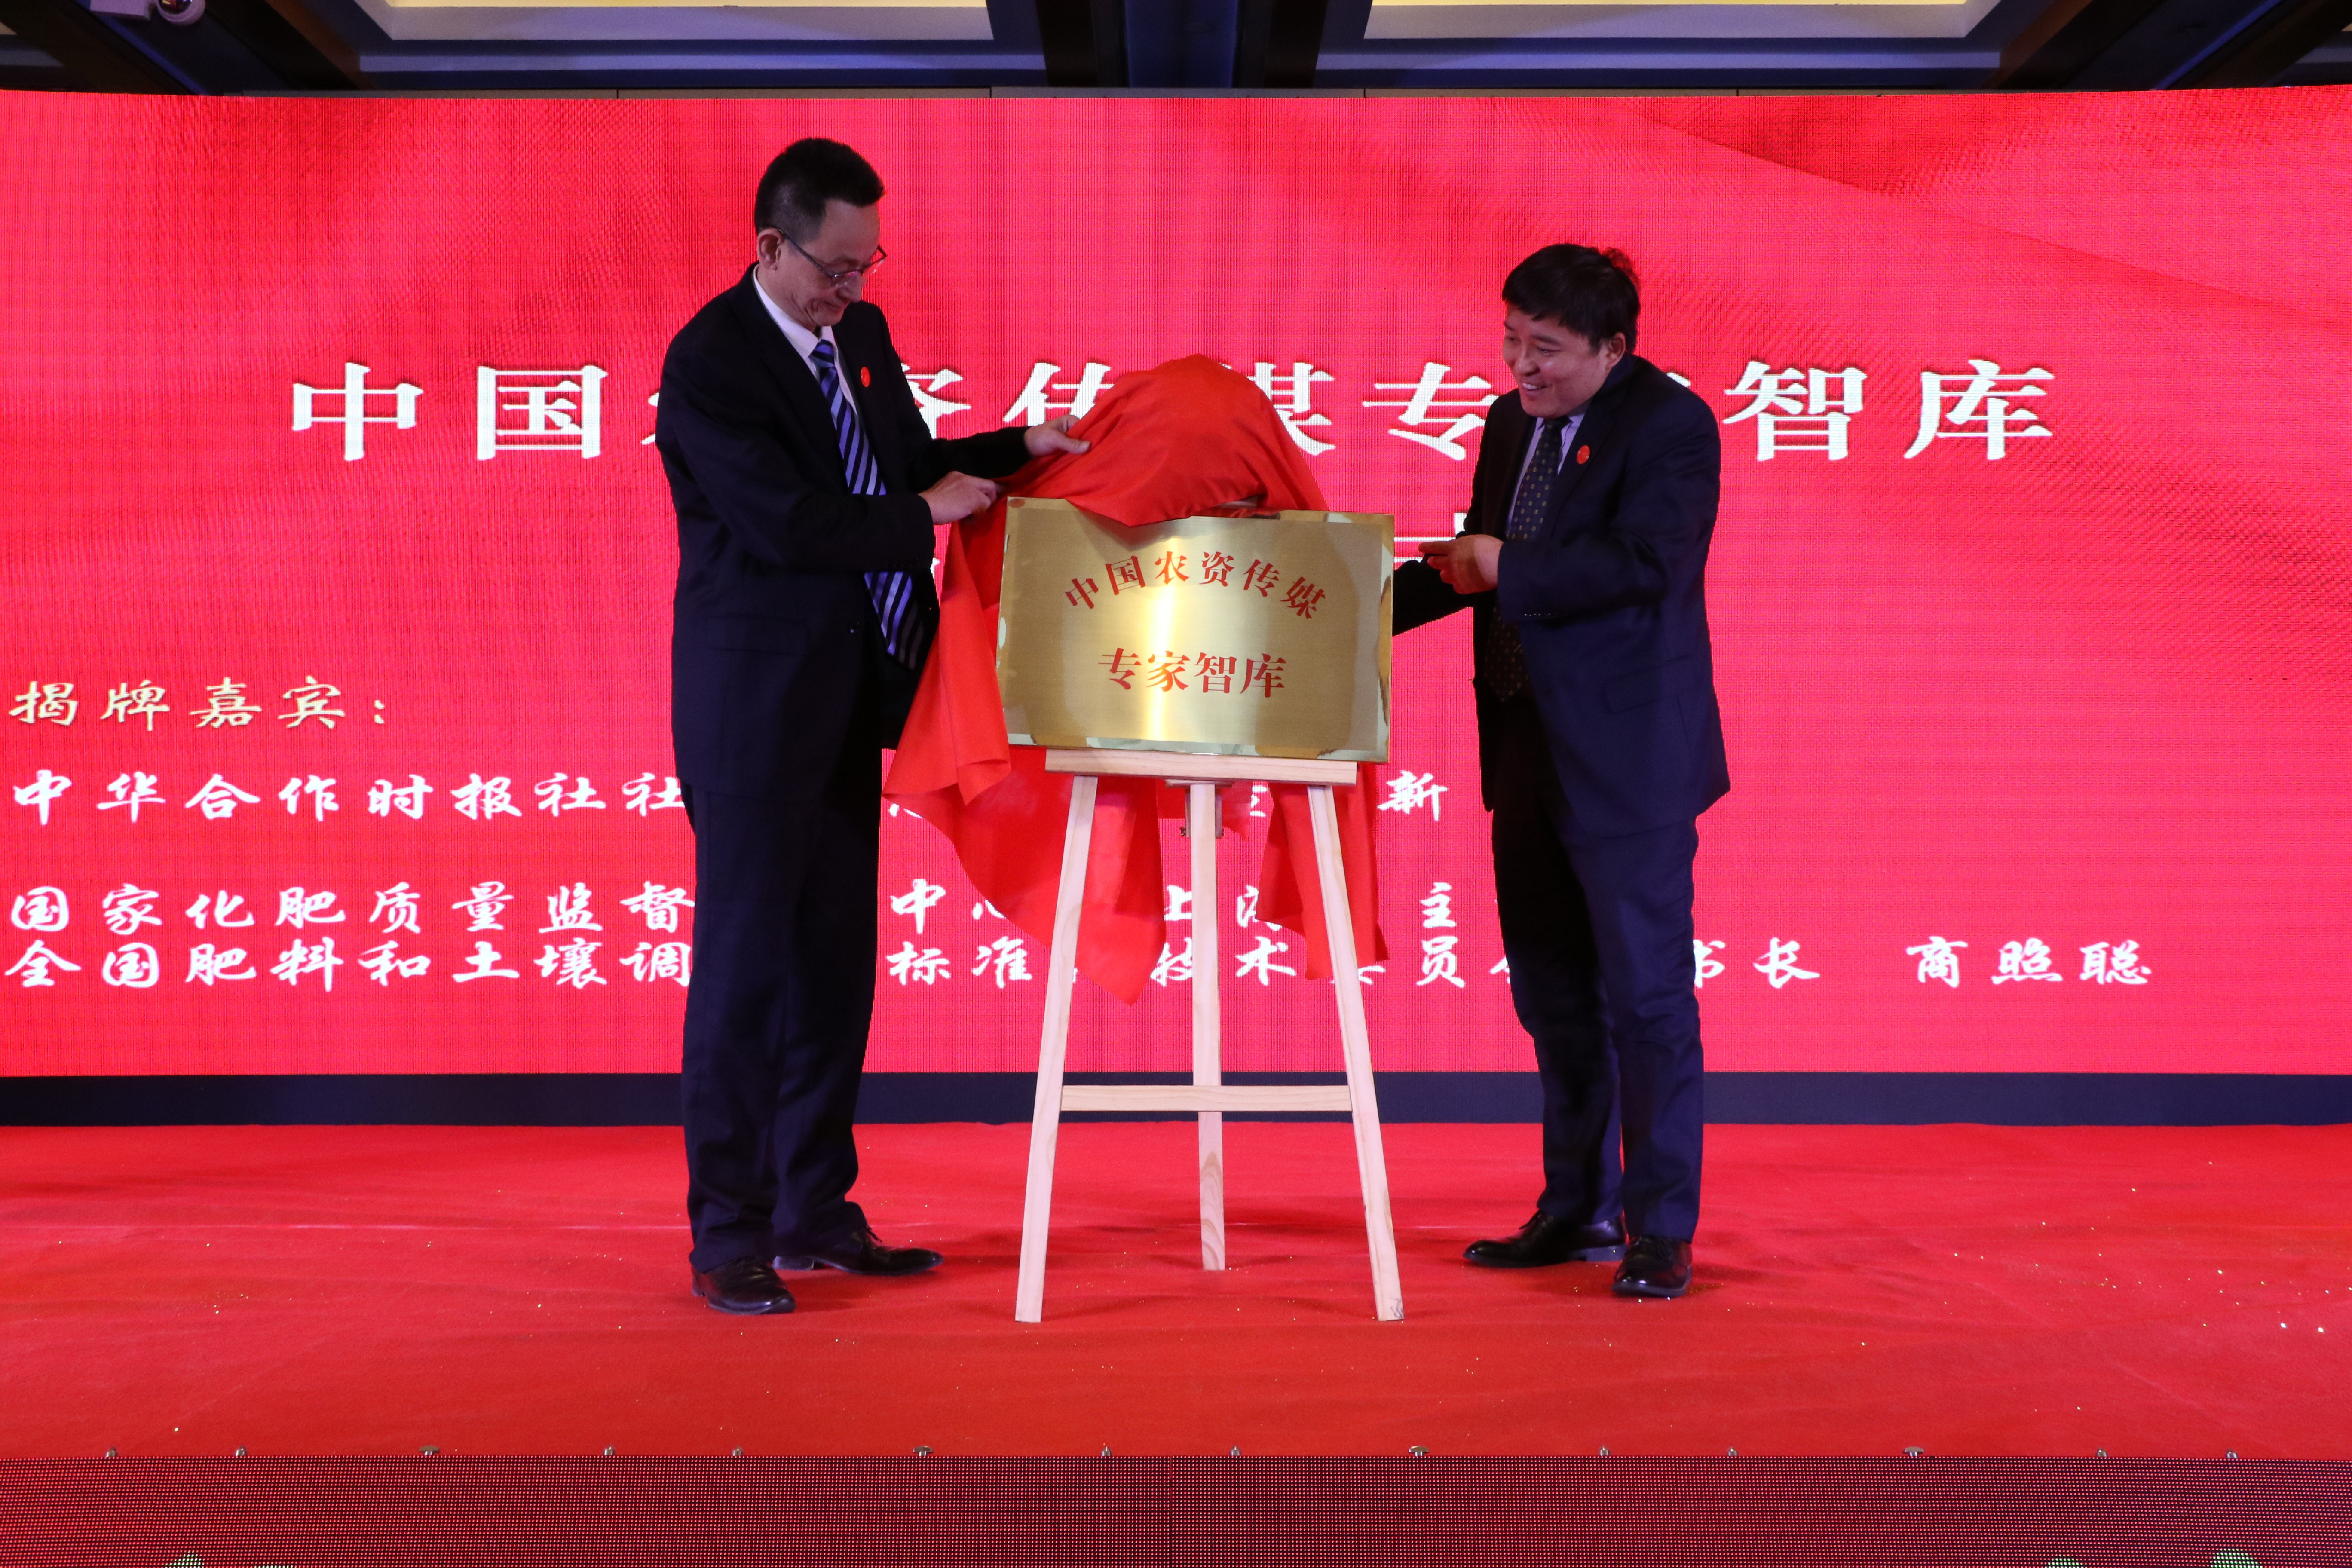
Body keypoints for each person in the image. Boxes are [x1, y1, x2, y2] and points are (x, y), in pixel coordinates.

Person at [653, 138, 1087, 1315]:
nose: (850, 289)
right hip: (754, 713)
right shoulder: (711, 359)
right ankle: (729, 1233)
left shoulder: (861, 338)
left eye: (867, 266)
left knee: (836, 966)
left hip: (851, 699)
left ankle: (815, 1209)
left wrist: (1019, 448)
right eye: (834, 270)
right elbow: (789, 523)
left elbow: (905, 464)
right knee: (747, 973)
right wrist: (921, 513)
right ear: (772, 246)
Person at [1396, 244, 1727, 1299]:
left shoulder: (1671, 425)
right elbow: (1476, 562)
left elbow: (1649, 565)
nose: (1520, 366)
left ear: (1613, 347)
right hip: (1526, 747)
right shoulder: (1509, 423)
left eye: (1545, 348)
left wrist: (1505, 564)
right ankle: (1574, 1206)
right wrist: (1328, 609)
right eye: (1510, 340)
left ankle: (1660, 1227)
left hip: (1627, 761)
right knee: (1552, 995)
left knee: (1646, 999)